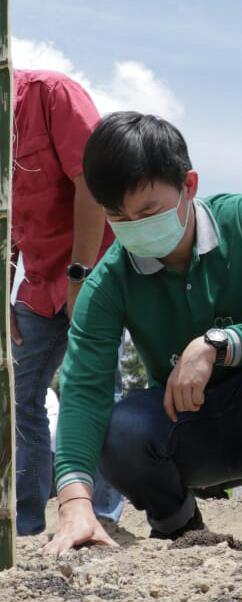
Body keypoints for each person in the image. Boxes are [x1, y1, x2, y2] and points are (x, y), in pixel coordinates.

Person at [44, 112, 242, 556]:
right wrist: (73, 502)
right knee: (121, 426)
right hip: (185, 429)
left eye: (148, 211)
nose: (134, 226)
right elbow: (84, 391)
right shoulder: (108, 283)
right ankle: (180, 527)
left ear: (188, 185)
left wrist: (215, 345)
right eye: (117, 216)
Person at [11, 69, 123, 535]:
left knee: (98, 388)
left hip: (93, 267)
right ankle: (29, 522)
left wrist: (81, 275)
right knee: (17, 397)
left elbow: (92, 182)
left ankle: (101, 517)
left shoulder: (52, 95)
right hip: (38, 283)